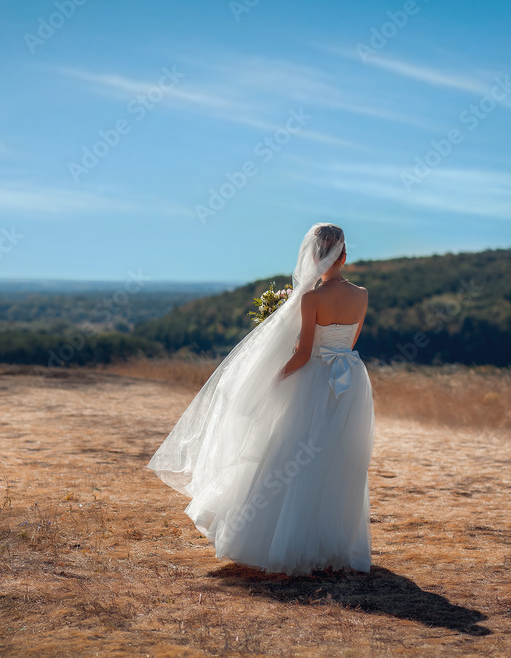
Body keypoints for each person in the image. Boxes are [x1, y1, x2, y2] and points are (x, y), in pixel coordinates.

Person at [147, 223, 375, 576]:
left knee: (295, 456)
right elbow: (350, 342)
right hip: (351, 380)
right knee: (340, 458)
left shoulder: (312, 299)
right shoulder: (361, 295)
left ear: (313, 256)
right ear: (345, 255)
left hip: (315, 379)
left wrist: (272, 378)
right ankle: (333, 546)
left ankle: (291, 540)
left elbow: (303, 354)